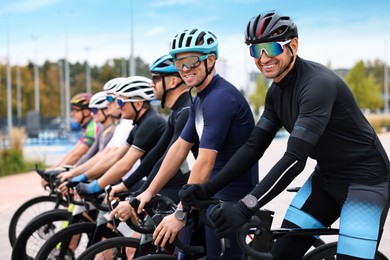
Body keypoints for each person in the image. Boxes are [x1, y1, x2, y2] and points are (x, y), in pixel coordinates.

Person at [180, 11, 390, 260]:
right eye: (256, 51)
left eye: (270, 48)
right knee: (281, 254)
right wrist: (207, 189)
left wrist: (246, 206)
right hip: (326, 180)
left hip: (366, 183)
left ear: (294, 46)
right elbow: (253, 146)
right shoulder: (275, 93)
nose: (264, 58)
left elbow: (294, 159)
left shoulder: (317, 85)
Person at [134, 29, 259, 259]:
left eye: (191, 61)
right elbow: (179, 149)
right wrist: (148, 192)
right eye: (178, 62)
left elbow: (205, 161)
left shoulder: (219, 99)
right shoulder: (199, 97)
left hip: (230, 200)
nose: (184, 69)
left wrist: (180, 214)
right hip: (208, 195)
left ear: (210, 60)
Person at [109, 54, 197, 219]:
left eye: (156, 78)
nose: (151, 84)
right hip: (172, 185)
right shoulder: (176, 112)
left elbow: (167, 157)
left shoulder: (185, 111)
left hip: (182, 187)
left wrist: (138, 196)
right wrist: (128, 187)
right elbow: (156, 154)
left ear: (173, 81)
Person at [74, 76, 167, 195]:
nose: (118, 106)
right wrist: (82, 176)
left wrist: (96, 185)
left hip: (167, 186)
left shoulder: (151, 122)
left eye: (120, 102)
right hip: (152, 183)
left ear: (138, 104)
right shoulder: (138, 124)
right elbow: (116, 156)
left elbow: (126, 164)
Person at [58, 77, 134, 188]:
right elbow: (99, 155)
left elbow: (110, 159)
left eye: (110, 99)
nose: (107, 103)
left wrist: (82, 177)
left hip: (125, 182)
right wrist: (70, 172)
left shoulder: (124, 126)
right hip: (119, 180)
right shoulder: (118, 127)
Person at [55, 92, 100, 167]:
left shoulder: (93, 127)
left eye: (75, 110)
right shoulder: (88, 127)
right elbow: (73, 152)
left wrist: (56, 171)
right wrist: (55, 168)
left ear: (86, 112)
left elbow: (77, 155)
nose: (72, 114)